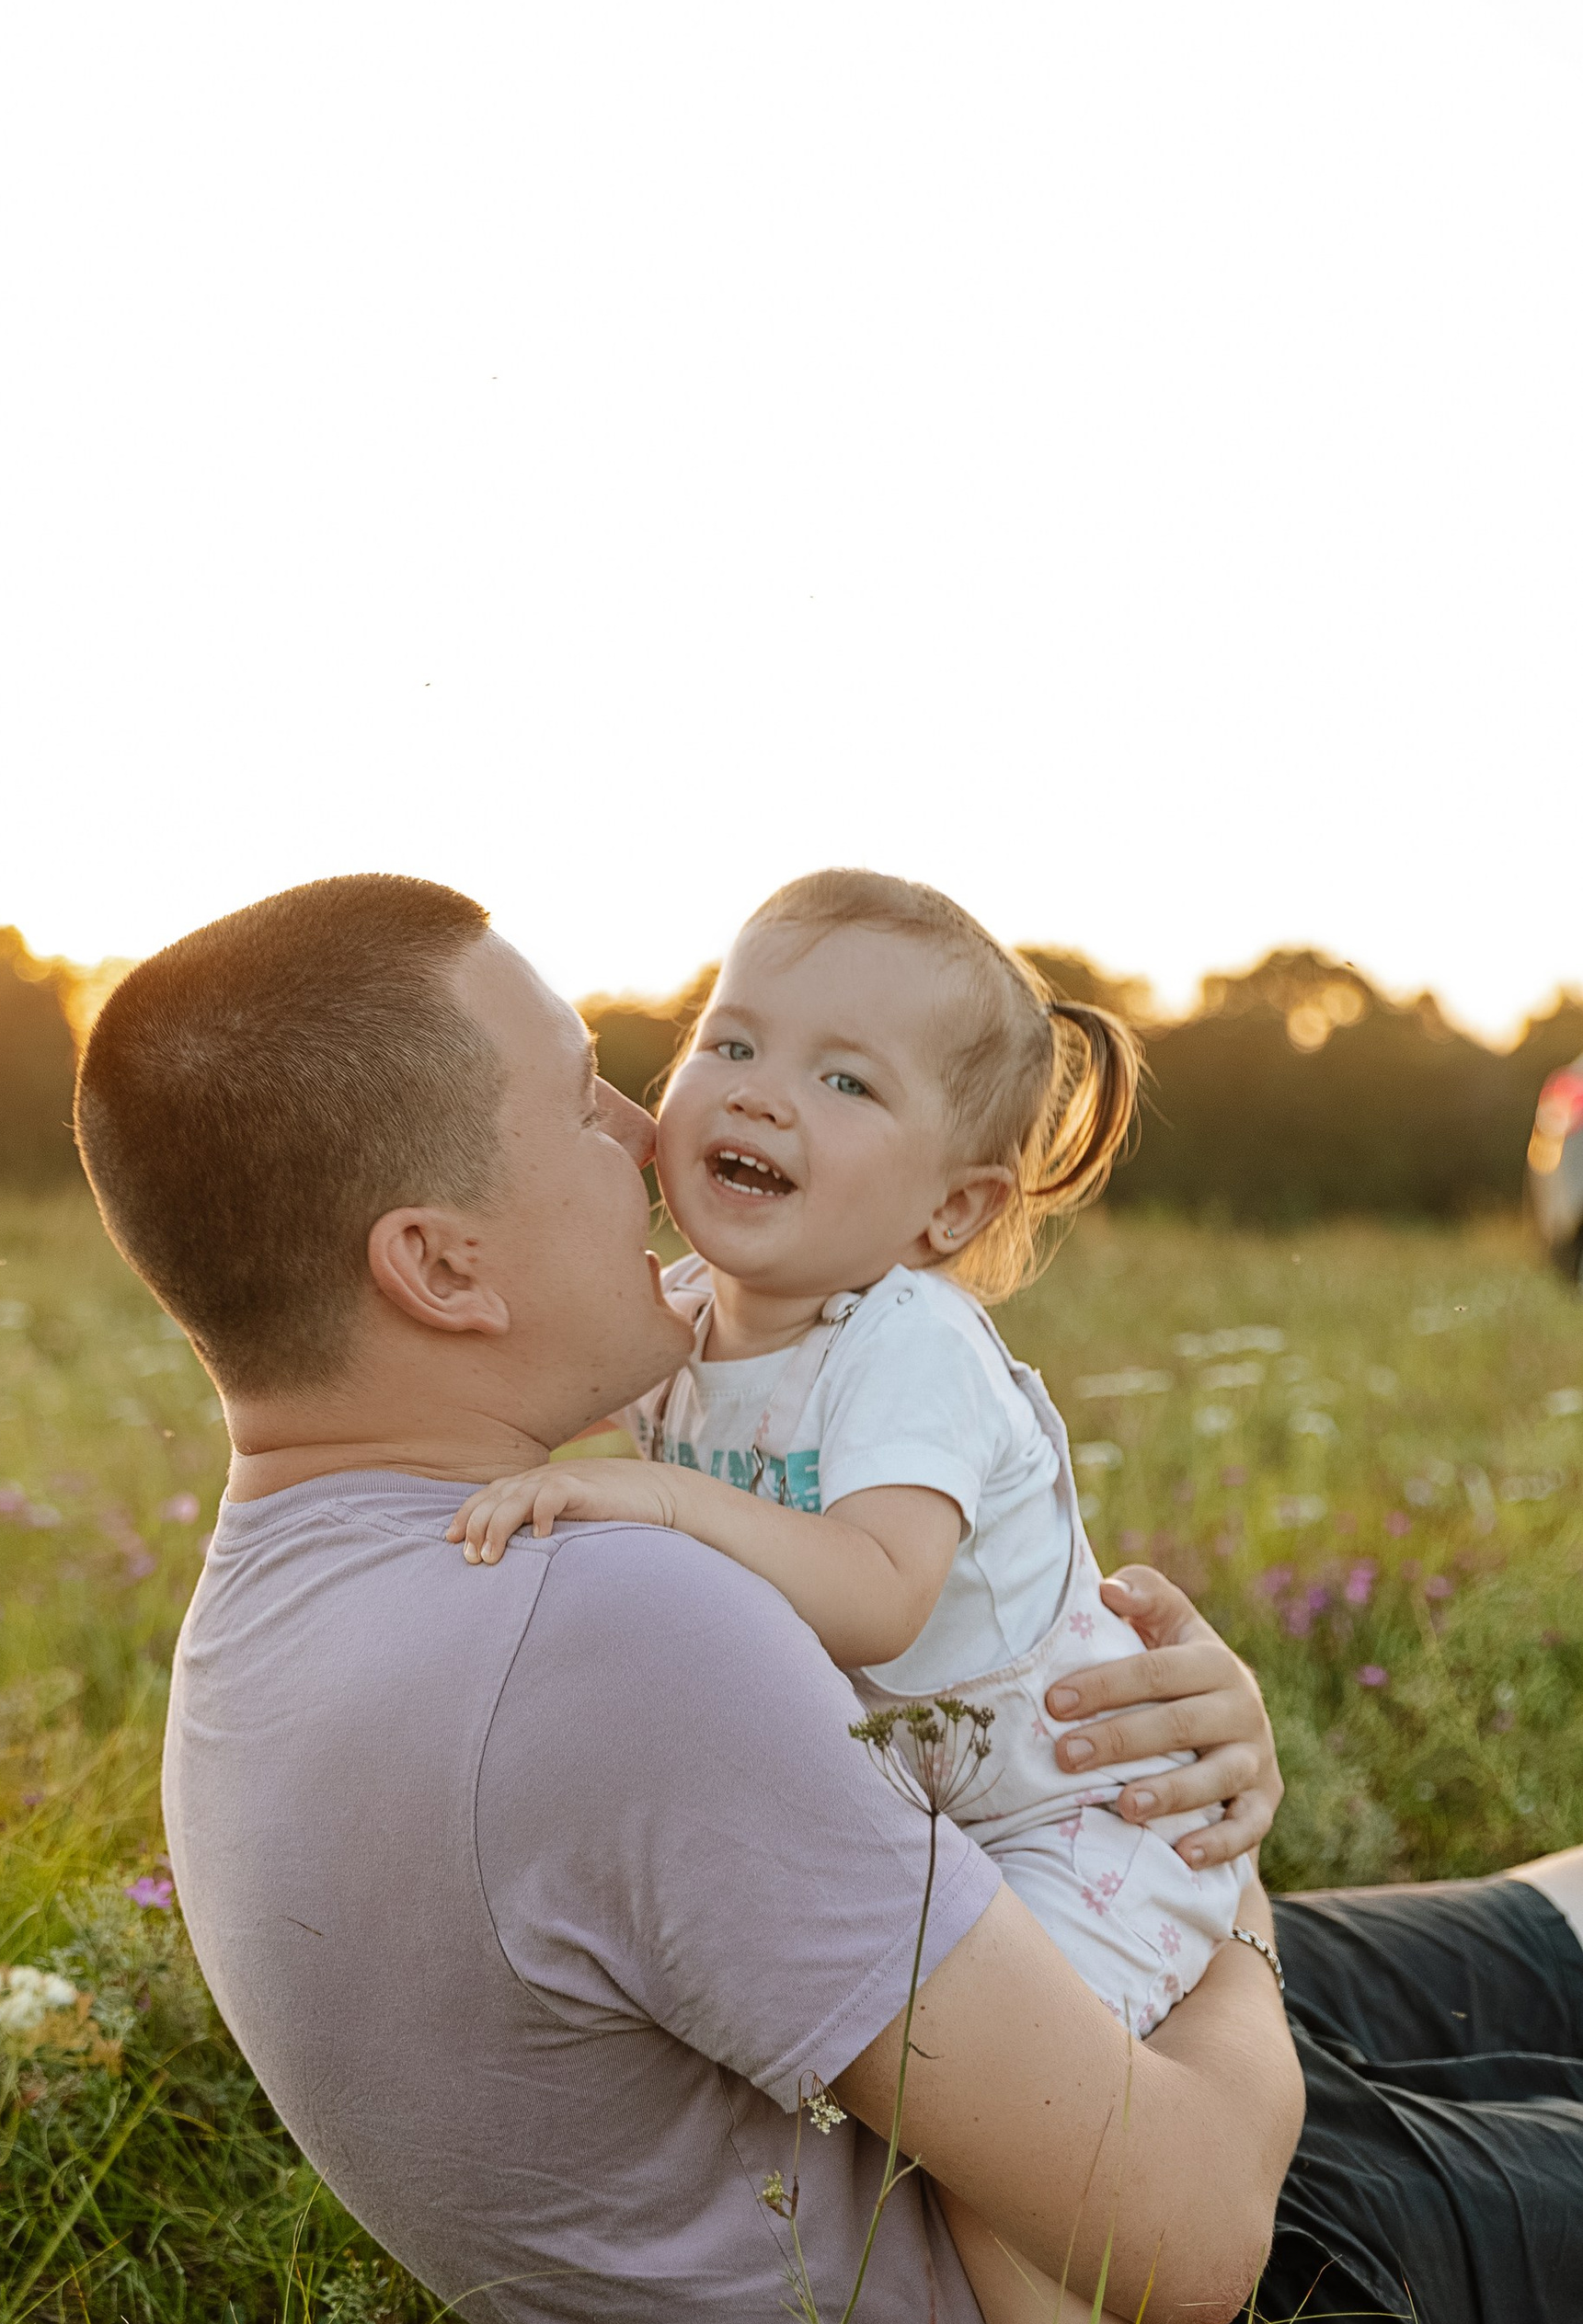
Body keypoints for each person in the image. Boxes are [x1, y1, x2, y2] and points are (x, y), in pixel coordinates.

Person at [75, 872, 1583, 2324]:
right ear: (439, 1266)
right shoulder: (605, 1627)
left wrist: (1160, 1761)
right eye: (584, 1101)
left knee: (1555, 1917)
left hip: (999, 2050)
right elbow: (1188, 2229)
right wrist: (1226, 1879)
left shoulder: (285, 1613)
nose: (649, 1125)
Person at [447, 867, 1242, 2048]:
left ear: (952, 1212)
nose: (762, 1098)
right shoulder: (677, 1317)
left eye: (844, 1080)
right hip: (917, 1822)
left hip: (1080, 1815)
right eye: (733, 1043)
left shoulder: (909, 1341)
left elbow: (879, 1593)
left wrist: (656, 1496)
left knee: (1024, 2111)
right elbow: (499, 1433)